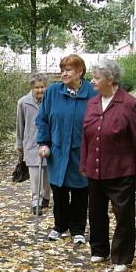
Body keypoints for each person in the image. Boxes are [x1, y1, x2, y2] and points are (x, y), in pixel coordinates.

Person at [81, 59, 136, 272]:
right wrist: (84, 163)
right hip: (95, 169)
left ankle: (122, 257)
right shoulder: (92, 103)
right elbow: (85, 137)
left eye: (97, 78)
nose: (92, 81)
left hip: (121, 170)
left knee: (124, 215)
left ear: (110, 80)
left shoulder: (129, 104)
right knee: (96, 212)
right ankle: (99, 250)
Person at [35, 54, 97, 244]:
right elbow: (42, 119)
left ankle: (78, 229)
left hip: (82, 152)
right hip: (58, 151)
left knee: (80, 191)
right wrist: (43, 143)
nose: (64, 74)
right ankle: (60, 226)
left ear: (80, 72)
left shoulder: (92, 94)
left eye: (68, 70)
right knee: (59, 190)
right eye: (62, 70)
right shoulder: (53, 92)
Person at [15, 73, 50, 215]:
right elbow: (20, 124)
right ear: (32, 88)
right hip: (31, 142)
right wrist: (19, 143)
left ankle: (46, 197)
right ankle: (36, 201)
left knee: (47, 175)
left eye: (42, 87)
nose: (40, 90)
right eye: (37, 87)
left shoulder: (50, 101)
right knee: (35, 175)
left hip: (48, 143)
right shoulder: (23, 102)